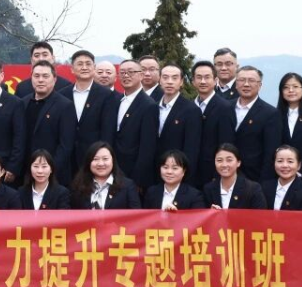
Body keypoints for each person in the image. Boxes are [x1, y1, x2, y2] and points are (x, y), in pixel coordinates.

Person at [19, 60, 77, 187]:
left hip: (54, 175)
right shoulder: (22, 103)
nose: (40, 80)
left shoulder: (65, 105)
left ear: (54, 79)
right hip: (25, 173)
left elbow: (66, 145)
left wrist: (50, 170)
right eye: (36, 76)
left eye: (45, 76)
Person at [59, 50, 119, 172]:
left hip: (94, 157)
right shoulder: (62, 94)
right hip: (66, 157)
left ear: (94, 68)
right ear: (72, 69)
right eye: (80, 64)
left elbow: (108, 130)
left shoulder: (106, 95)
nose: (84, 67)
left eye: (88, 64)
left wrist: (102, 156)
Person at [105, 59, 158, 188]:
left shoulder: (149, 105)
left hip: (133, 172)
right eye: (122, 72)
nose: (126, 75)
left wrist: (137, 180)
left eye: (131, 72)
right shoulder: (115, 100)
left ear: (141, 75)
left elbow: (147, 147)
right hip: (112, 168)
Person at [191, 60, 236, 187]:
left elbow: (226, 144)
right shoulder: (189, 106)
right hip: (190, 172)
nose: (203, 81)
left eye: (207, 77)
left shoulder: (225, 107)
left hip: (212, 173)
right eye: (199, 77)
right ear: (193, 81)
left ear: (215, 80)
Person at [154, 66, 201, 184]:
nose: (169, 82)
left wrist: (186, 177)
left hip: (177, 172)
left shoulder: (191, 110)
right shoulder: (152, 106)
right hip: (153, 171)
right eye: (165, 77)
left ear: (181, 82)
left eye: (174, 78)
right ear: (160, 80)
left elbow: (192, 148)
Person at [232, 66, 280, 182]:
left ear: (260, 85)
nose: (246, 84)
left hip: (254, 177)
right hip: (225, 174)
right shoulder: (225, 107)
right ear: (236, 84)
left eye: (251, 80)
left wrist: (264, 182)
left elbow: (270, 152)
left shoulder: (270, 113)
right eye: (242, 80)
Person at [69, 142, 140, 210]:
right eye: (95, 159)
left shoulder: (127, 186)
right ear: (88, 162)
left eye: (105, 159)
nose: (100, 163)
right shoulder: (78, 186)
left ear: (113, 161)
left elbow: (136, 215)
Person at [203, 143, 268, 210]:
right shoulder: (208, 189)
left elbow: (261, 215)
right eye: (219, 160)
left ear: (238, 163)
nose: (224, 165)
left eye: (229, 160)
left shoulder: (252, 189)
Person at [260, 145, 302, 211]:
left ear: (299, 165)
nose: (284, 165)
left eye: (290, 161)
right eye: (280, 161)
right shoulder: (264, 187)